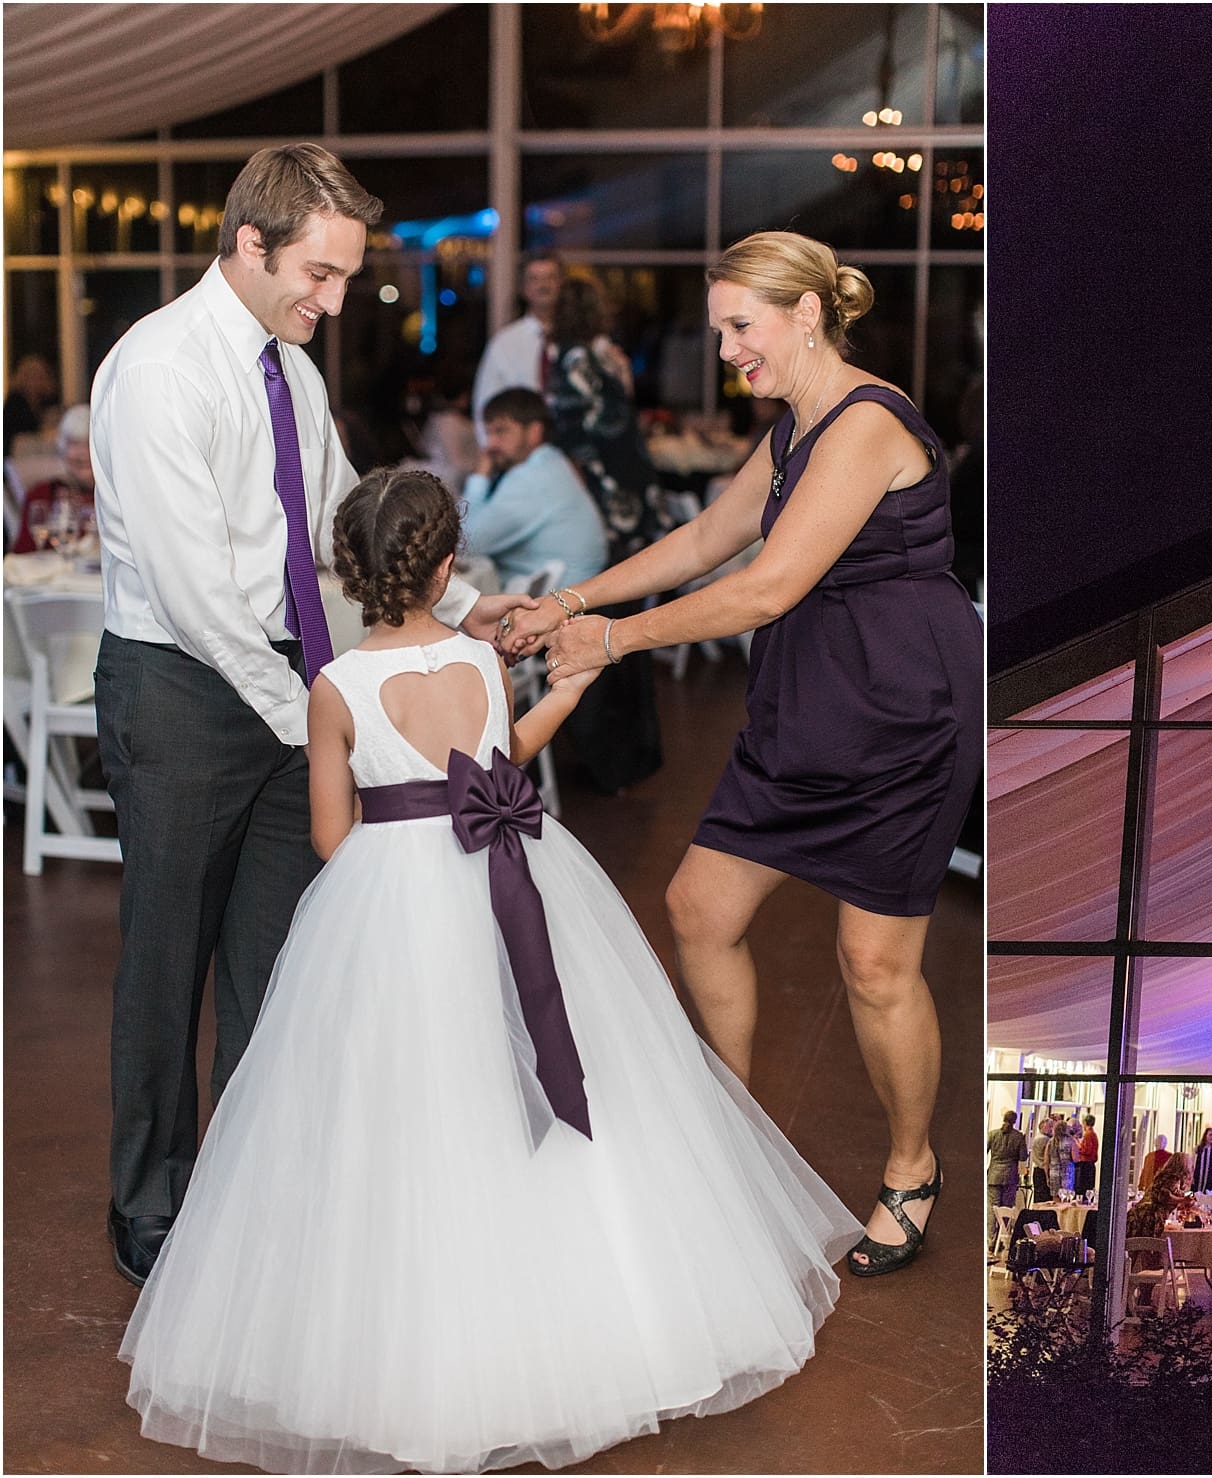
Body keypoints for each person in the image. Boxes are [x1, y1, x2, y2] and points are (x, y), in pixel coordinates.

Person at [119, 465, 861, 1474]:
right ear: (445, 568)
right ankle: (584, 1294)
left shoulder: (334, 687)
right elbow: (502, 764)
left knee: (403, 1092)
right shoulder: (477, 660)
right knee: (536, 1057)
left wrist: (396, 845)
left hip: (388, 896)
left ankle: (419, 1328)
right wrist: (567, 694)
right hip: (506, 870)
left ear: (350, 574)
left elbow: (332, 836)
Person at [91, 144, 527, 1289]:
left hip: (289, 685)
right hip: (181, 691)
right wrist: (318, 715)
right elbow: (195, 595)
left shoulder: (293, 369)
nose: (334, 302)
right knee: (166, 960)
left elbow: (339, 522)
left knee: (276, 963)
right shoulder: (160, 369)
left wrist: (462, 610)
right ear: (251, 242)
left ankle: (250, 1191)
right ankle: (150, 1203)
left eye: (343, 277)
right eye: (320, 275)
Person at [505, 232, 982, 1277]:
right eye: (720, 329)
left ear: (806, 314)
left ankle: (912, 1166)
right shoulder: (794, 424)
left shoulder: (867, 420)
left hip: (905, 711)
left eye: (739, 326)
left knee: (874, 963)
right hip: (807, 703)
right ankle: (732, 1133)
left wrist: (615, 641)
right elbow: (704, 540)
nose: (726, 351)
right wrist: (571, 601)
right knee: (698, 907)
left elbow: (768, 586)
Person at [545, 274, 664, 561]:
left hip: (604, 465)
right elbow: (593, 418)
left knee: (623, 549)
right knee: (622, 551)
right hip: (607, 466)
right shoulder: (578, 357)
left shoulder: (574, 355)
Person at [461, 387, 609, 591]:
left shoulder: (531, 478)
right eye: (488, 433)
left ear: (534, 432)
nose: (490, 445)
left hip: (561, 603)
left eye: (501, 431)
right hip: (571, 592)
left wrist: (479, 477)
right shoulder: (551, 462)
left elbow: (465, 544)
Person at [471, 249, 561, 436]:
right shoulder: (504, 343)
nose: (543, 285)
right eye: (535, 279)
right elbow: (484, 406)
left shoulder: (579, 339)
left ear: (561, 284)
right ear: (524, 288)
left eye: (550, 278)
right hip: (520, 450)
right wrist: (493, 448)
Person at [11, 402, 96, 553]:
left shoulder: (115, 496)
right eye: (74, 444)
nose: (83, 453)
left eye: (89, 443)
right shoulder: (42, 495)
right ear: (63, 448)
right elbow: (22, 555)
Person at [1127, 1151, 1193, 1238]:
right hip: (1148, 1215)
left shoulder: (1165, 1176)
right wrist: (1183, 1200)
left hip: (1142, 1213)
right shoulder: (1172, 1178)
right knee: (1146, 1243)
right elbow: (1164, 1196)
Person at [4, 351, 58, 455]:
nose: (35, 382)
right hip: (14, 455)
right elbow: (16, 436)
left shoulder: (46, 402)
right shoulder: (15, 403)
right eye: (31, 377)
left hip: (35, 453)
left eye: (40, 377)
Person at [987, 1110, 1028, 1222]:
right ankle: (1003, 1230)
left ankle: (991, 1232)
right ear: (1015, 1121)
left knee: (992, 1207)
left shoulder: (992, 1134)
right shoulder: (1018, 1137)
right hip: (1010, 1176)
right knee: (1006, 1208)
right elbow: (1023, 1157)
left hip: (994, 1175)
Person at [1073, 1114, 1100, 1197]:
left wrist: (1076, 1142)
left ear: (1085, 1123)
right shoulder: (1093, 1134)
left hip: (1086, 1164)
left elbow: (1086, 1150)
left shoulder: (1088, 1134)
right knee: (1088, 1187)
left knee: (1083, 1189)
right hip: (1090, 1164)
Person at [1191, 1127, 1212, 1194]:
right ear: (1205, 1136)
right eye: (1210, 1135)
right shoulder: (1198, 1149)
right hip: (1198, 1178)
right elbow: (1192, 1164)